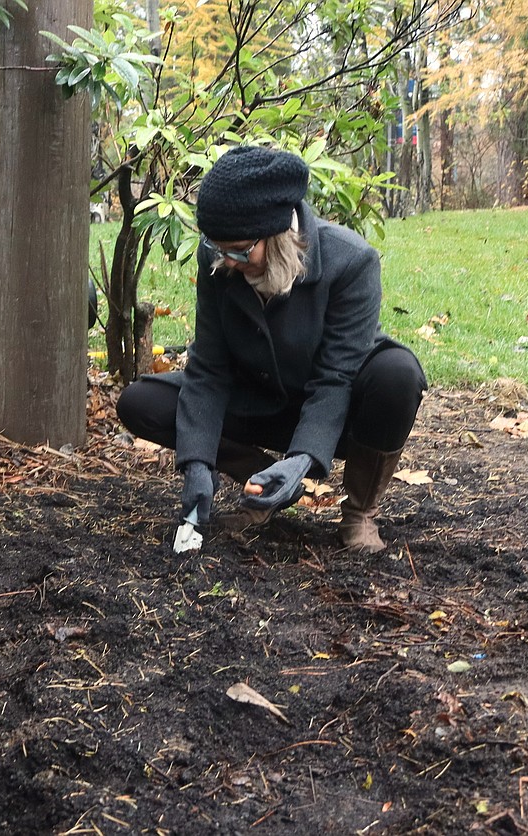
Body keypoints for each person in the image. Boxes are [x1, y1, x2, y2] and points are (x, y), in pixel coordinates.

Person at [116, 145, 427, 553]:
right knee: (142, 401)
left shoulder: (351, 262)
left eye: (240, 251)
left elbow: (336, 377)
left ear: (278, 236)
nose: (227, 262)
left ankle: (359, 513)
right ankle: (265, 482)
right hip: (259, 400)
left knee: (398, 375)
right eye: (219, 249)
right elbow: (208, 369)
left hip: (337, 411)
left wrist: (300, 463)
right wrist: (196, 463)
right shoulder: (223, 258)